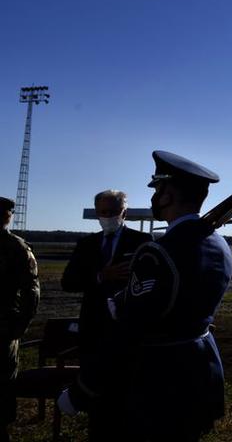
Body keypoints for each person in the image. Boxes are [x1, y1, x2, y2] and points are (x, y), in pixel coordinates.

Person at [59, 151, 232, 442]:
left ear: (167, 195)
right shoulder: (218, 245)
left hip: (158, 381)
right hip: (200, 371)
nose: (154, 196)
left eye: (157, 189)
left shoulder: (157, 251)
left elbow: (130, 332)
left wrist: (82, 390)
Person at [61, 189, 151, 441]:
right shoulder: (86, 245)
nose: (107, 217)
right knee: (97, 399)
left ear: (124, 212)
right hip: (94, 331)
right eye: (103, 213)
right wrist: (101, 276)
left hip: (129, 333)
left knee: (128, 394)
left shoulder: (143, 241)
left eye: (113, 212)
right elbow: (68, 282)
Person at [0, 197, 40, 442]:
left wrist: (19, 325)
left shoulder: (15, 246)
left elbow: (30, 291)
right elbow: (32, 291)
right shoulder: (15, 245)